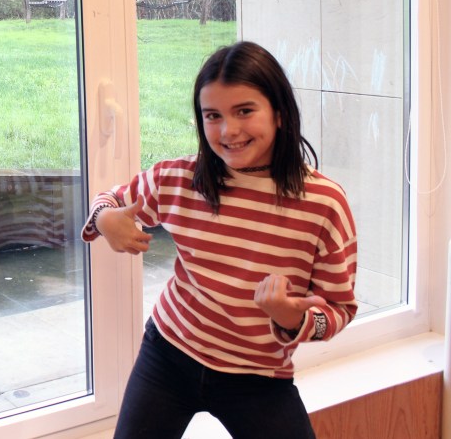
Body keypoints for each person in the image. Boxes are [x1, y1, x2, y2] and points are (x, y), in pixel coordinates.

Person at [82, 41, 357, 439]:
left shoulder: (324, 203)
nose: (229, 131)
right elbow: (109, 200)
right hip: (169, 355)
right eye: (213, 115)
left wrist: (292, 319)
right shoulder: (180, 179)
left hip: (258, 376)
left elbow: (339, 308)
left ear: (279, 113)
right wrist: (105, 219)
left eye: (244, 111)